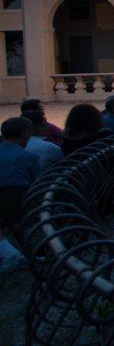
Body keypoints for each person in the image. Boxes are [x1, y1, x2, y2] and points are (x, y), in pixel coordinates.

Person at [1, 116, 40, 273]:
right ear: (26, 133)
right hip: (23, 205)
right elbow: (37, 183)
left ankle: (10, 253)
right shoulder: (28, 157)